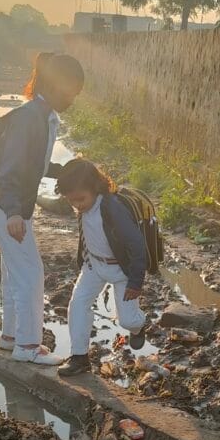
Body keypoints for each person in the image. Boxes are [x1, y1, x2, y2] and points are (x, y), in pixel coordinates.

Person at [0, 51, 84, 365]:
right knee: (30, 273)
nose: (73, 99)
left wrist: (64, 171)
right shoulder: (30, 117)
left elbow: (34, 163)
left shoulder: (43, 116)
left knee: (14, 271)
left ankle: (11, 337)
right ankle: (28, 347)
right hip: (8, 204)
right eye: (72, 92)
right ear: (58, 86)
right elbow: (10, 169)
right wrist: (14, 213)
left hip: (12, 204)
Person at [54, 158, 149, 377]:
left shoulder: (111, 208)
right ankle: (79, 357)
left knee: (127, 320)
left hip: (121, 271)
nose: (77, 205)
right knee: (77, 305)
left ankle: (139, 326)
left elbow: (136, 243)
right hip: (93, 266)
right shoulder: (83, 202)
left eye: (81, 199)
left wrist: (136, 281)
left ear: (95, 188)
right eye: (71, 201)